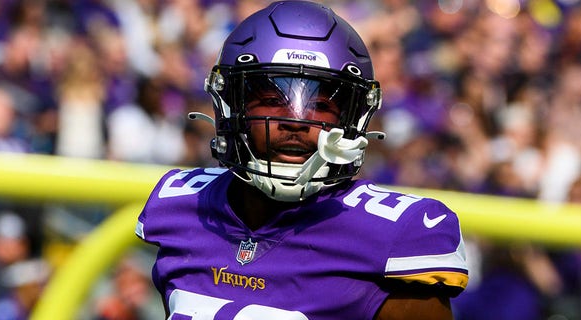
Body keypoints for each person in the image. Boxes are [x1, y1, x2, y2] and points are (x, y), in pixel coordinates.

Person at [135, 1, 468, 319]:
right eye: (271, 100)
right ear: (232, 104)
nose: (295, 121)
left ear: (353, 117)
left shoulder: (396, 236)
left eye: (320, 105)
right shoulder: (182, 208)